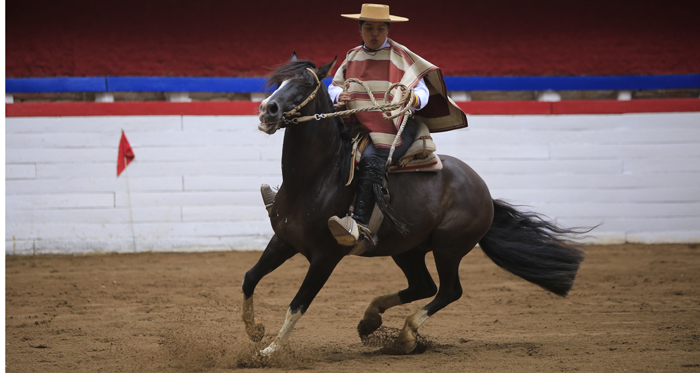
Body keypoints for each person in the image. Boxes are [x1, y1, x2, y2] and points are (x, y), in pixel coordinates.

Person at [326, 4, 468, 247]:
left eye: (380, 28)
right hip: (359, 126)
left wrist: (412, 98)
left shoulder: (401, 56)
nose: (374, 33)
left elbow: (421, 91)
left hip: (396, 127)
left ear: (388, 30)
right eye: (368, 28)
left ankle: (358, 223)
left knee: (372, 159)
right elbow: (334, 86)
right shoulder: (352, 56)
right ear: (360, 30)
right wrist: (339, 96)